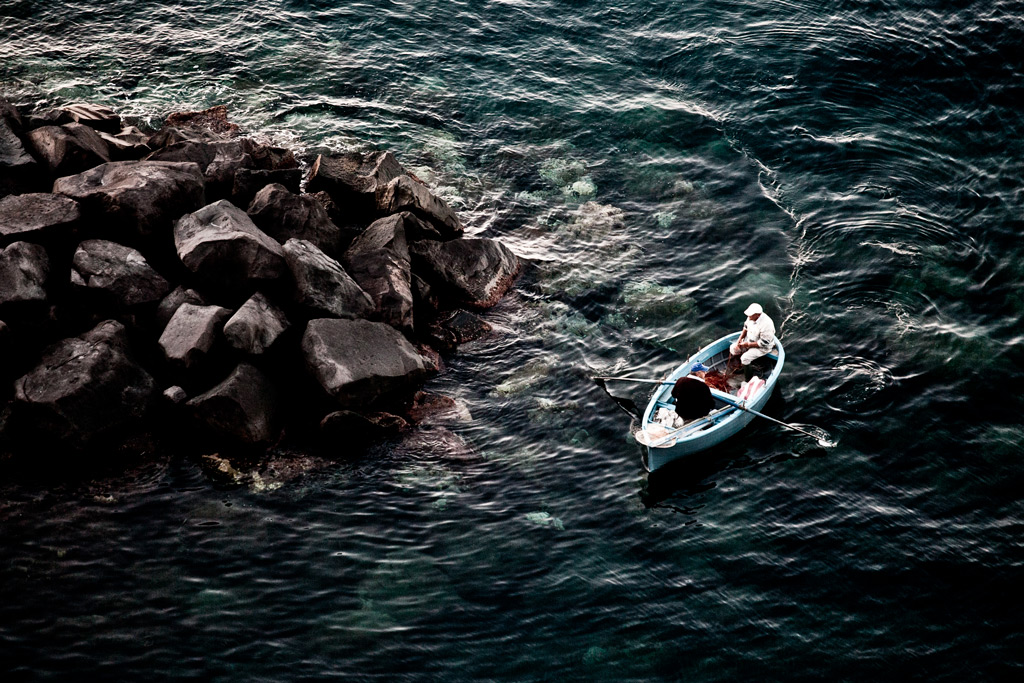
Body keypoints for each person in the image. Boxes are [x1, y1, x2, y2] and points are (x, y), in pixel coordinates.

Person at [728, 303, 776, 376]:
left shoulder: (767, 324)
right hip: (749, 341)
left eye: (750, 315)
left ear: (758, 315)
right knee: (733, 348)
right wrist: (739, 340)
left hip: (762, 348)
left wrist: (747, 345)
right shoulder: (750, 318)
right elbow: (745, 328)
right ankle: (740, 366)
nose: (748, 316)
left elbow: (763, 343)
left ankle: (748, 377)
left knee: (745, 358)